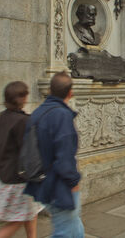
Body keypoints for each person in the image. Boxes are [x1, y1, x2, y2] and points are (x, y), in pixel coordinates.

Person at [24, 72, 84, 238]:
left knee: (75, 229)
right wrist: (73, 181)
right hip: (59, 186)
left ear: (50, 90)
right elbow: (64, 158)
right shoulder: (62, 115)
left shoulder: (37, 113)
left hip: (41, 184)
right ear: (70, 93)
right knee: (64, 232)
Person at [0, 81, 43, 238]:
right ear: (22, 98)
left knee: (29, 211)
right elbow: (30, 150)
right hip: (19, 178)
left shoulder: (0, 117)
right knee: (17, 220)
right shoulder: (24, 121)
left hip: (5, 173)